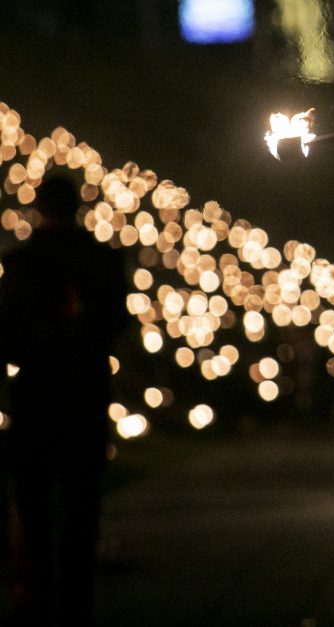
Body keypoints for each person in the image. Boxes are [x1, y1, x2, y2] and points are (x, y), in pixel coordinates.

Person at [0, 174, 128, 626]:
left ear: (39, 208)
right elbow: (115, 325)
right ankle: (75, 602)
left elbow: (9, 337)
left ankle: (36, 597)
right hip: (85, 393)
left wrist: (39, 341)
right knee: (81, 506)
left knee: (33, 504)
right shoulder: (104, 261)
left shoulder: (21, 265)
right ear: (77, 207)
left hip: (37, 395)